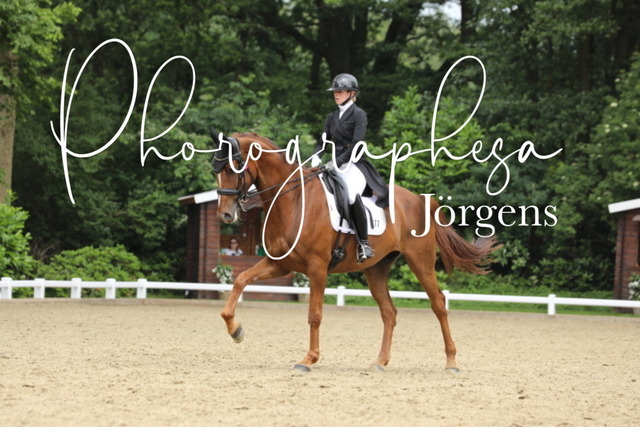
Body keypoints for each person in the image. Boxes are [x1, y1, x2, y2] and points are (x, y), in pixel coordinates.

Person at [312, 73, 389, 263]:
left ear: (352, 93)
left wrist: (337, 162)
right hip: (333, 165)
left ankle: (364, 244)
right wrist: (316, 156)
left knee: (351, 195)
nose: (336, 94)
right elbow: (323, 142)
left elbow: (356, 144)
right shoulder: (331, 117)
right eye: (335, 91)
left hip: (354, 165)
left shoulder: (358, 114)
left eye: (340, 91)